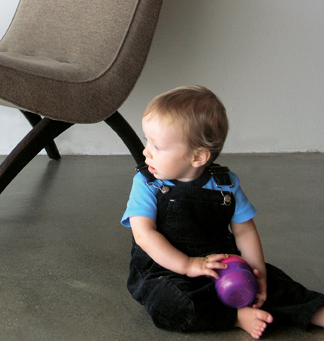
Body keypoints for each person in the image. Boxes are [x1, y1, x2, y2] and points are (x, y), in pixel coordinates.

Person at [122, 86, 324, 339]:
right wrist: (188, 265)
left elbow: (245, 231)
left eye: (157, 146)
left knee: (275, 283)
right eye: (147, 141)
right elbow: (144, 235)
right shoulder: (147, 183)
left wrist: (256, 272)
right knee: (169, 302)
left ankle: (316, 312)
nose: (146, 151)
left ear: (198, 157)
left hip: (221, 263)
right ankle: (235, 316)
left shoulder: (224, 184)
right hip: (166, 269)